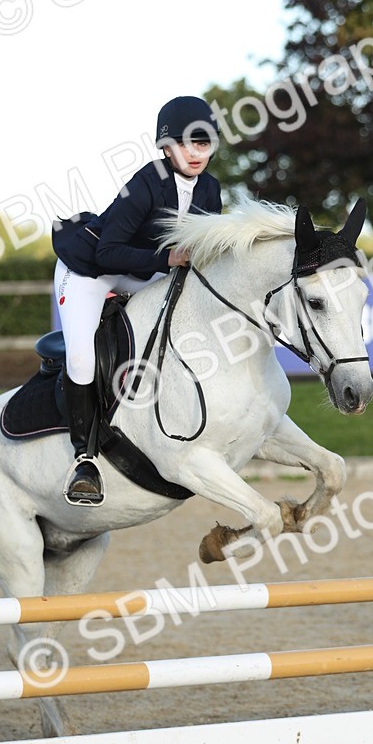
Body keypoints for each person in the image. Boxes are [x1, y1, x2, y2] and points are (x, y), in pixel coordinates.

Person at [52, 95, 222, 505]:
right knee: (80, 358)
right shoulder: (146, 181)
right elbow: (108, 253)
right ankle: (84, 460)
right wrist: (168, 258)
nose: (195, 152)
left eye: (204, 143)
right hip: (90, 270)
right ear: (166, 146)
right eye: (185, 144)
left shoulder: (211, 190)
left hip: (142, 270)